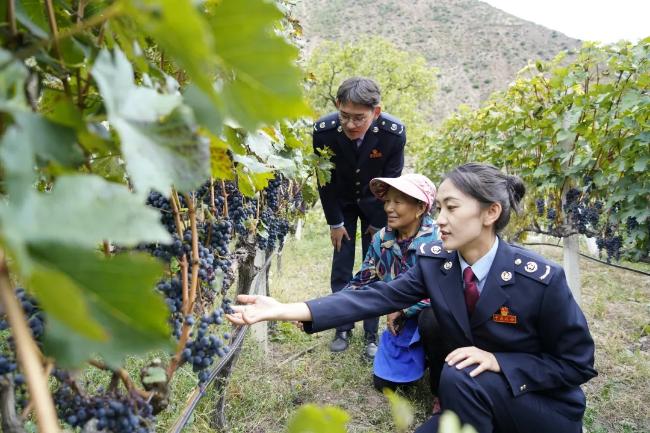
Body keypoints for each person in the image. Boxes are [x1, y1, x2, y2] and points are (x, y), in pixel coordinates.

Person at [226, 163, 597, 433]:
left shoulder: (539, 279)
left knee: (458, 374)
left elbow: (576, 365)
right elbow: (375, 296)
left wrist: (500, 362)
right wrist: (284, 310)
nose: (441, 219)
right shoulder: (438, 264)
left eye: (452, 207)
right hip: (470, 399)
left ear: (491, 213)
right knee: (457, 379)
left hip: (536, 408)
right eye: (440, 209)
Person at [313, 76, 406, 356]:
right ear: (337, 105)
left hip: (376, 205)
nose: (350, 124)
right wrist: (335, 222)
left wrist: (379, 223)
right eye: (345, 116)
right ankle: (342, 327)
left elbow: (391, 183)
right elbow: (325, 180)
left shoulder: (393, 133)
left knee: (375, 264)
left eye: (359, 118)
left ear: (376, 112)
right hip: (342, 203)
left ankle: (370, 334)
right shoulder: (323, 131)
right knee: (341, 263)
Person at [343, 173, 438, 390]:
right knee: (385, 384)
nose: (388, 208)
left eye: (398, 202)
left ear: (420, 208)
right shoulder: (381, 239)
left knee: (432, 321)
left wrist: (404, 309)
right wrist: (316, 311)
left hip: (433, 317)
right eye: (387, 201)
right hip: (401, 322)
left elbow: (449, 292)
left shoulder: (439, 240)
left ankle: (439, 377)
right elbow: (361, 282)